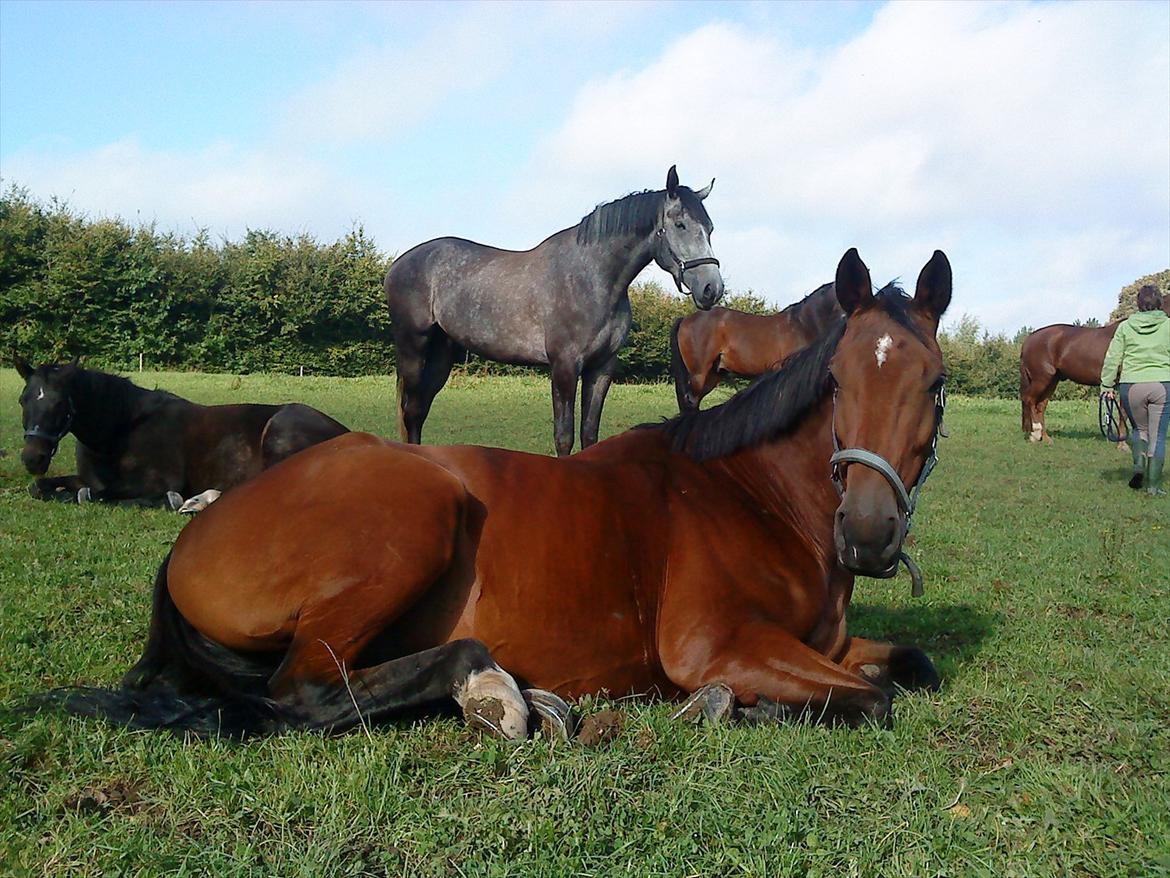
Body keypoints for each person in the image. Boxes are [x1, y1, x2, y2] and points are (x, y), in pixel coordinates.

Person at [1100, 285, 1170, 495]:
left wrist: (1106, 385)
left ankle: (1138, 465)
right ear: (1159, 302)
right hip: (1162, 385)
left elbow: (1113, 357)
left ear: (1139, 304)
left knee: (1140, 430)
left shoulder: (1126, 327)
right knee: (1157, 437)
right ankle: (1153, 486)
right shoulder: (1168, 325)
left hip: (1131, 387)